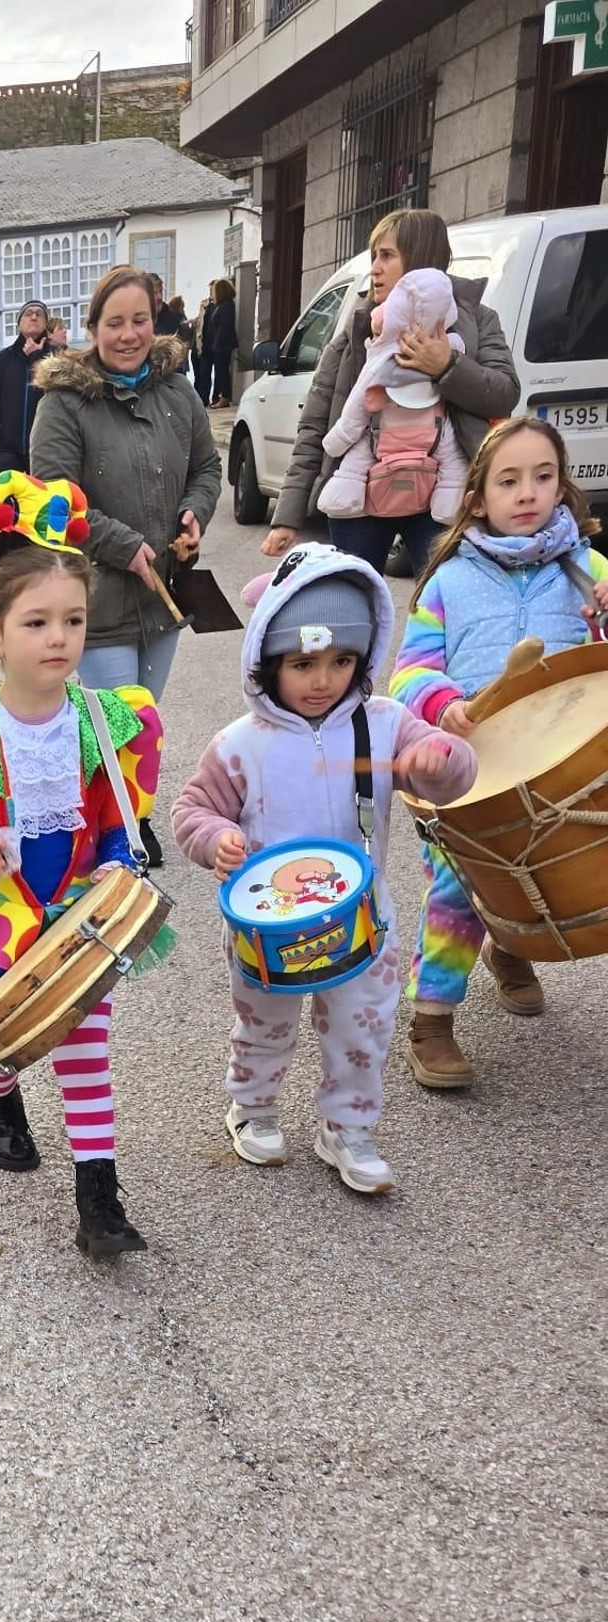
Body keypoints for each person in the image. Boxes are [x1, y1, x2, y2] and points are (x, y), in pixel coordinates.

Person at [170, 545, 476, 1195]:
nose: (322, 678)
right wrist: (218, 837)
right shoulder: (239, 743)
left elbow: (453, 772)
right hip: (266, 929)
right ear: (267, 661)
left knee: (362, 1028)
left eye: (341, 661)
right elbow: (191, 809)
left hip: (363, 922)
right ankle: (251, 1107)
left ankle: (347, 1127)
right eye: (302, 663)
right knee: (264, 1025)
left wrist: (441, 759)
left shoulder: (387, 725)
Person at [0, 474, 167, 1258]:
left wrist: (113, 863)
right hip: (1, 916)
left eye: (73, 619)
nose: (58, 637)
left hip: (74, 914)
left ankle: (98, 1200)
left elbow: (116, 820)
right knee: (10, 1035)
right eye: (36, 622)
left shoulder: (104, 720)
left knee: (83, 1044)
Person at [389, 417, 608, 1090]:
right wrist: (442, 700)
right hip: (468, 769)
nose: (528, 492)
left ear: (563, 486)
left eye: (544, 477)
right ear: (479, 497)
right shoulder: (449, 580)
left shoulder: (590, 570)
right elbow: (407, 671)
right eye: (508, 480)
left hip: (563, 765)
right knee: (458, 889)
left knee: (531, 876)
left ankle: (510, 946)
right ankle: (432, 1019)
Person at [30, 263, 221, 860]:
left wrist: (194, 513)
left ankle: (124, 813)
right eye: (114, 322)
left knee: (143, 718)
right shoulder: (65, 403)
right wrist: (120, 545)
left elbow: (207, 467)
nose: (128, 334)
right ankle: (119, 828)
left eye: (139, 320)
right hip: (98, 600)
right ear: (92, 328)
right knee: (117, 724)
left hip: (165, 598)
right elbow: (50, 498)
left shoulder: (177, 392)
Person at [263, 208, 520, 578]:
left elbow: (504, 393)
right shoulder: (357, 330)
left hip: (442, 498)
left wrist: (447, 367)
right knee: (352, 611)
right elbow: (315, 427)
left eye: (387, 256)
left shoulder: (477, 320)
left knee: (441, 613)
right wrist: (287, 517)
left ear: (419, 261)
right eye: (374, 257)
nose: (375, 269)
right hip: (360, 498)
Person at [317, 269, 468, 523]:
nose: (375, 268)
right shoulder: (449, 344)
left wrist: (340, 438)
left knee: (362, 451)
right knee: (450, 454)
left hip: (401, 430)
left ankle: (346, 489)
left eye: (386, 256)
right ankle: (450, 502)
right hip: (419, 429)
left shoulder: (383, 356)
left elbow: (356, 404)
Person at [0, 301, 53, 474]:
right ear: (19, 323)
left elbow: (59, 392)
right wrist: (1, 428)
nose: (34, 317)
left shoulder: (55, 358)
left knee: (42, 500)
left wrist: (36, 356)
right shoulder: (4, 358)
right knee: (9, 501)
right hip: (9, 451)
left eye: (39, 314)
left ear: (46, 323)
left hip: (45, 450)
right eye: (29, 314)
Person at [206, 278, 238, 407]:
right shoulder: (222, 305)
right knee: (220, 371)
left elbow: (225, 327)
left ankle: (225, 396)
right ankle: (223, 396)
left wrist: (218, 344)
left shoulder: (226, 306)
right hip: (220, 345)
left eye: (213, 291)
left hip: (223, 345)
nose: (212, 294)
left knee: (222, 372)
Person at [189, 288, 215, 406]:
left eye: (212, 289)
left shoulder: (214, 307)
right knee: (198, 375)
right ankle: (197, 399)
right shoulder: (205, 304)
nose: (211, 292)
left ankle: (203, 399)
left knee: (204, 374)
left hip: (207, 346)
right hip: (198, 345)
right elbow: (200, 324)